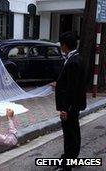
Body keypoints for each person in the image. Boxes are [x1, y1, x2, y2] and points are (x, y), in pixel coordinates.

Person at [55, 31, 86, 171]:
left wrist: (65, 109)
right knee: (73, 131)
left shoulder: (73, 61)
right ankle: (71, 157)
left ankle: (68, 162)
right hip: (73, 104)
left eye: (61, 45)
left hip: (70, 106)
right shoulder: (75, 58)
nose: (60, 47)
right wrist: (58, 84)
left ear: (65, 45)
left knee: (70, 133)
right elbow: (71, 82)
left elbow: (72, 89)